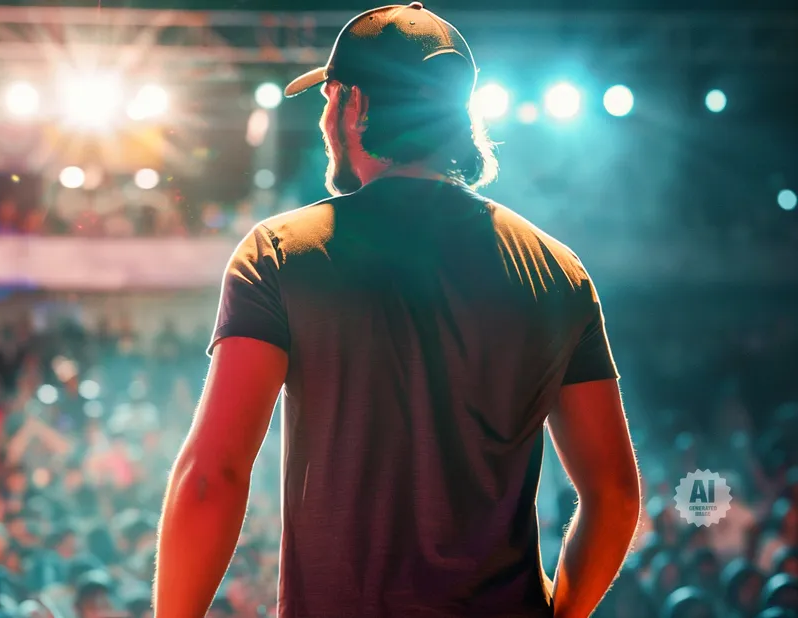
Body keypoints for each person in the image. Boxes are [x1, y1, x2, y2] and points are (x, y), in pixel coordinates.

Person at [153, 2, 641, 618]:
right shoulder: (556, 270)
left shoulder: (281, 253)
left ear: (355, 104)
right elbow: (615, 495)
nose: (324, 119)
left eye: (329, 98)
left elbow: (212, 477)